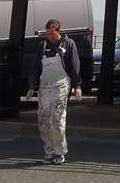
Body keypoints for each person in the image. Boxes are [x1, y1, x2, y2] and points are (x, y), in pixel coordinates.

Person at [26, 19, 82, 164]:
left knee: (57, 119)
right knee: (44, 119)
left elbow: (74, 66)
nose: (49, 37)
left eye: (52, 34)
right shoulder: (42, 46)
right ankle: (49, 151)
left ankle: (59, 152)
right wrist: (32, 86)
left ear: (58, 30)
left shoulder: (68, 44)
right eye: (47, 34)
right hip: (45, 86)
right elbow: (35, 67)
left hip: (61, 85)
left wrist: (77, 86)